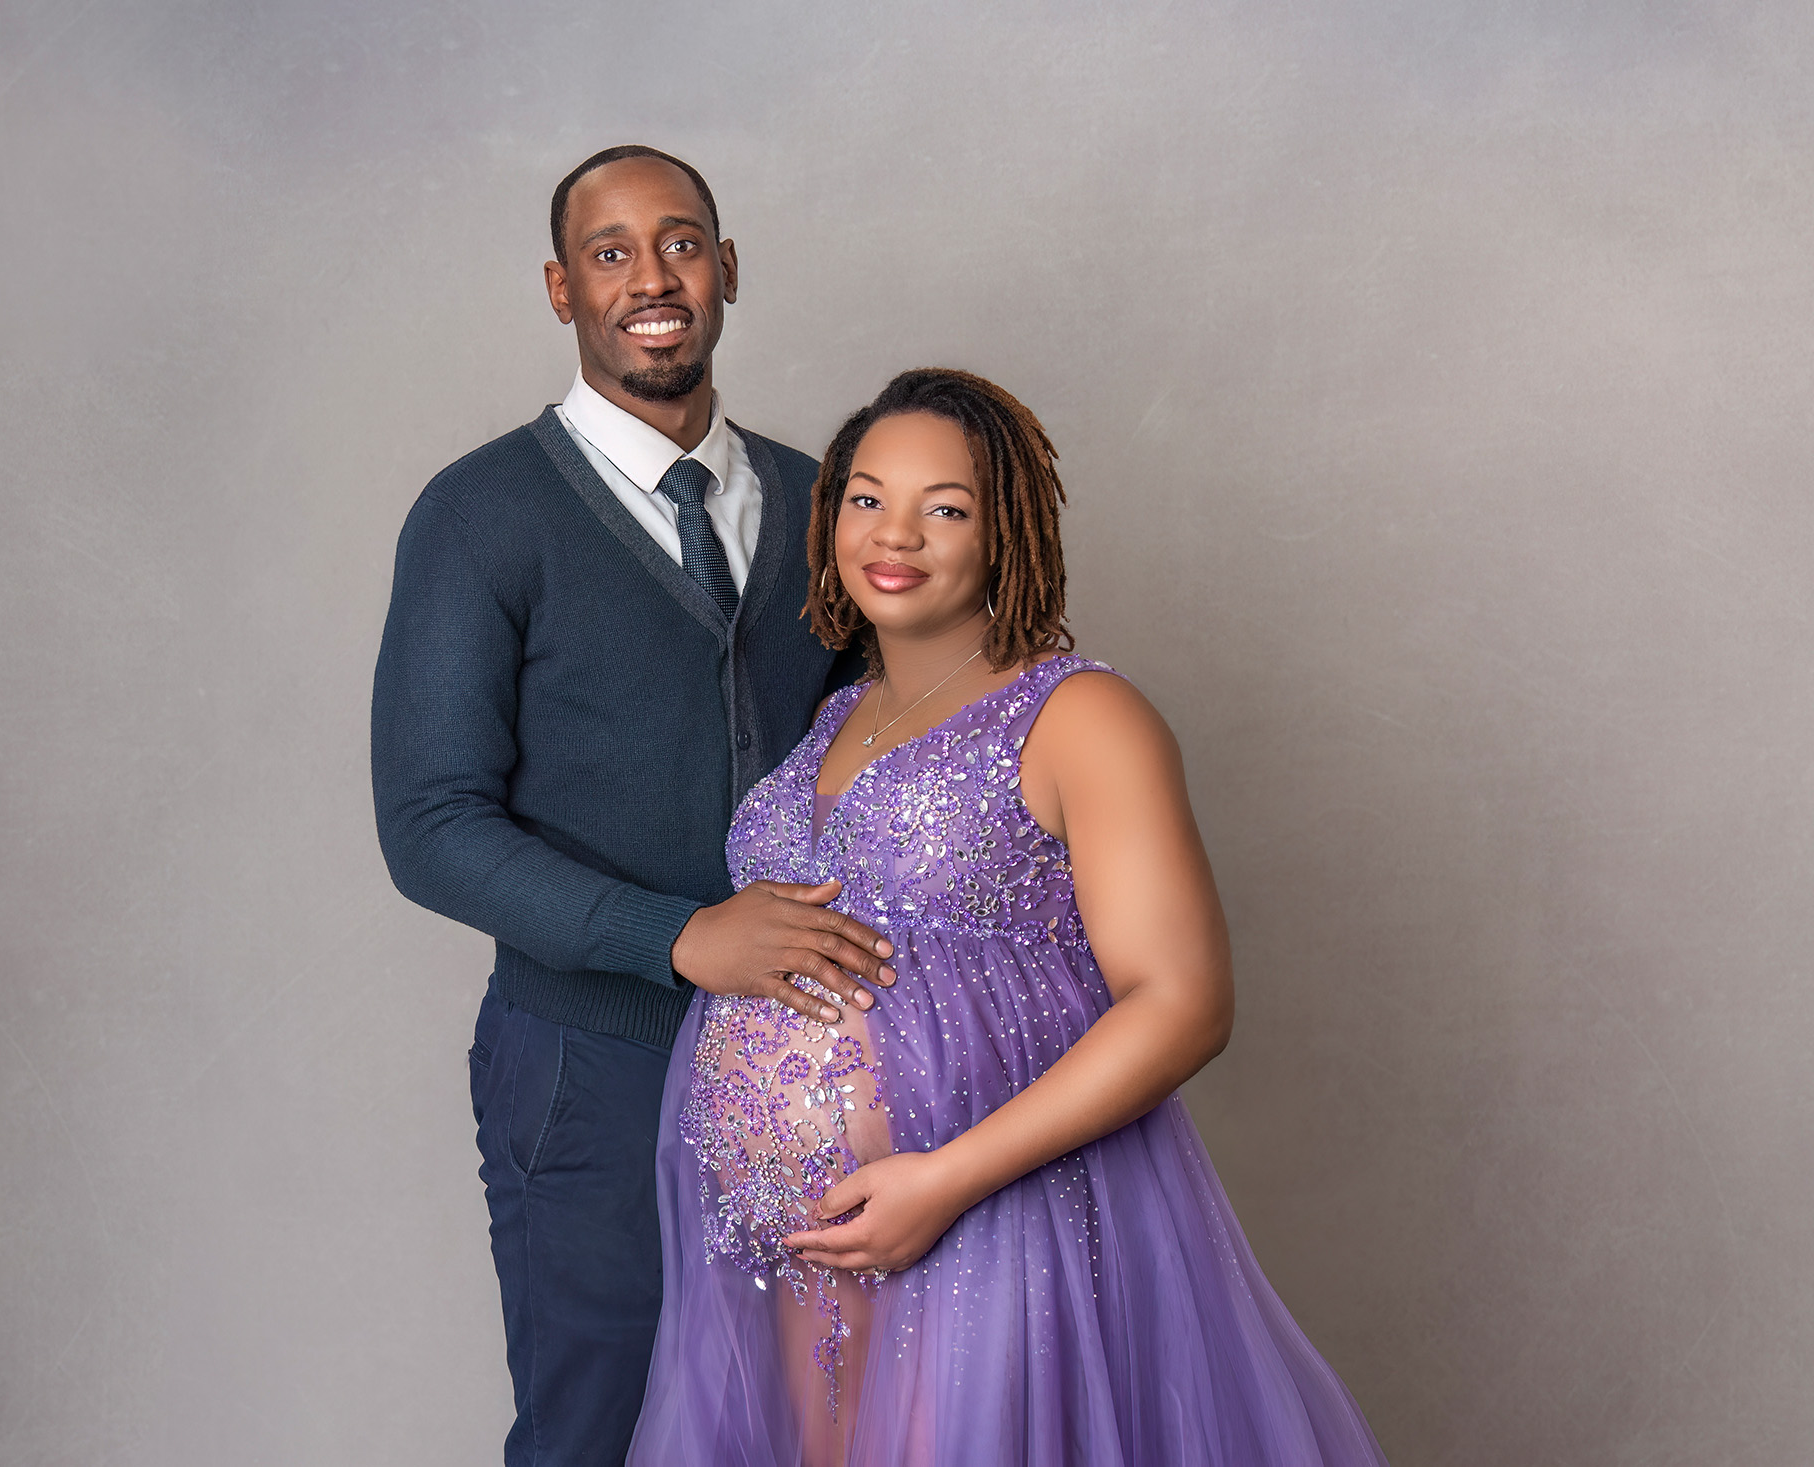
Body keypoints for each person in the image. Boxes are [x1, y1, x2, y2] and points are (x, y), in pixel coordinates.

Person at [628, 369, 1390, 1466]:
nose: (896, 533)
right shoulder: (838, 714)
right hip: (786, 1246)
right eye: (865, 498)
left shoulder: (1081, 715)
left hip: (983, 1218)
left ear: (1007, 535)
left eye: (945, 507)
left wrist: (945, 1179)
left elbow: (1182, 1002)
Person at [370, 146, 894, 1467]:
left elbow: (889, 752)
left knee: (818, 1420)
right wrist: (679, 934)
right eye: (610, 251)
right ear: (562, 288)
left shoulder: (828, 503)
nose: (650, 277)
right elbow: (431, 824)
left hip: (813, 1058)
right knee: (600, 1432)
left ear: (727, 269)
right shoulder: (481, 514)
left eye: (681, 242)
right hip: (587, 1063)